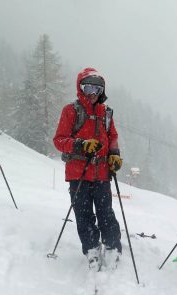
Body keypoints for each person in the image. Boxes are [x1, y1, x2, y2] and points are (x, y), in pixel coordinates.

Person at [53, 67, 123, 271]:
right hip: (78, 174)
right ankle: (91, 249)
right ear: (80, 88)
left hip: (102, 174)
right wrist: (80, 145)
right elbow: (59, 140)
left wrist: (114, 155)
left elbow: (113, 137)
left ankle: (112, 247)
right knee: (83, 215)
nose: (92, 93)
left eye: (97, 88)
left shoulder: (106, 113)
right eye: (88, 87)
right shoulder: (71, 110)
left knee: (105, 213)